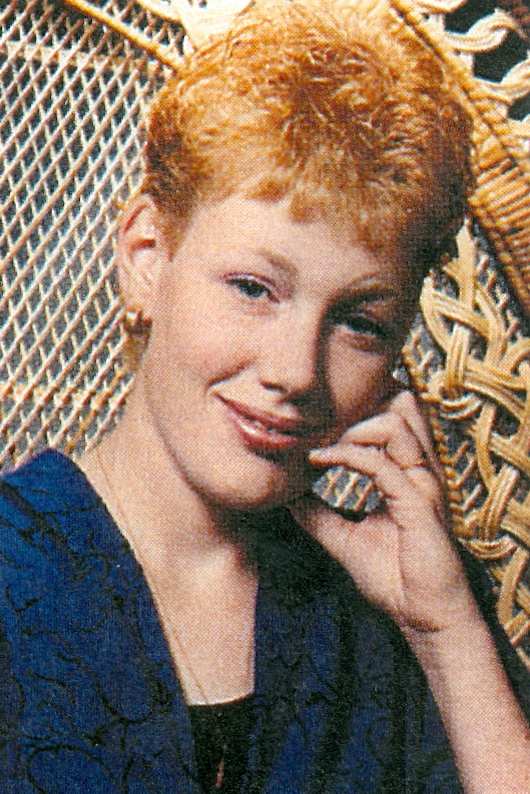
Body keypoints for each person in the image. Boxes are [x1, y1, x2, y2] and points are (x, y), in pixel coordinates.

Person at [1, 0, 529, 791]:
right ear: (147, 255)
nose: (296, 372)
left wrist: (446, 633)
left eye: (359, 323)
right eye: (254, 288)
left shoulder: (403, 613)